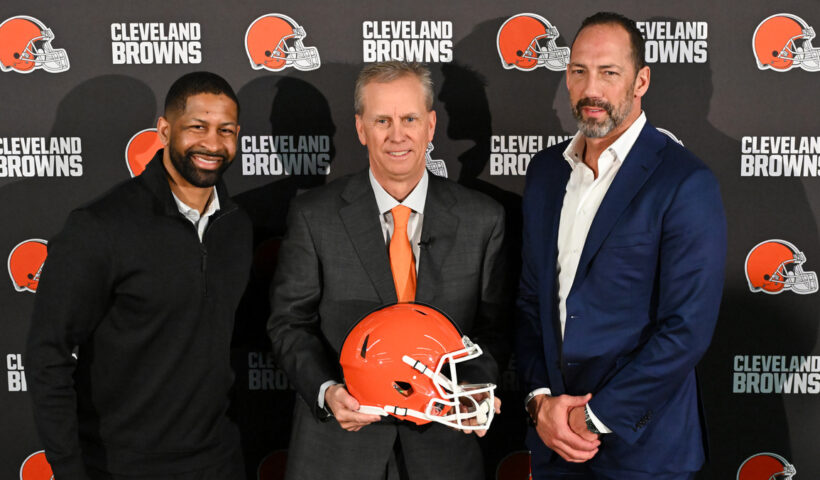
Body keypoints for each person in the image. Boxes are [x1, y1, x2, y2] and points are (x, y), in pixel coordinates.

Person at [268, 61, 510, 480]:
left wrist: (470, 386)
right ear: (361, 129)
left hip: (443, 450)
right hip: (339, 451)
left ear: (430, 125)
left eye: (409, 119)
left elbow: (496, 327)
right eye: (382, 120)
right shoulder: (315, 215)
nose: (397, 135)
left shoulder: (482, 219)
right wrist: (327, 391)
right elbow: (289, 323)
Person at [516, 12, 727, 480]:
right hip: (554, 444)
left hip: (645, 451)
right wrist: (539, 403)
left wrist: (590, 418)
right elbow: (533, 302)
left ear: (641, 80)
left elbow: (686, 329)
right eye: (579, 71)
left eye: (609, 73)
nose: (592, 89)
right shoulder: (547, 172)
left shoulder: (684, 181)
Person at [26, 71, 251, 480]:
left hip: (218, 462)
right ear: (164, 130)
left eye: (226, 130)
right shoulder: (100, 226)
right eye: (197, 127)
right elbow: (47, 356)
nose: (213, 144)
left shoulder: (237, 226)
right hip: (121, 466)